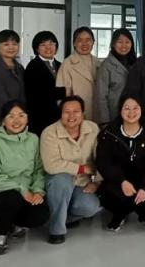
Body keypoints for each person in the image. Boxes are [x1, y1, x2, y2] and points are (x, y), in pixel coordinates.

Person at [0, 100, 49, 255]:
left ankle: (10, 221)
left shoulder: (33, 139)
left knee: (40, 214)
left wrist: (38, 191)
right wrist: (22, 189)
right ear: (3, 120)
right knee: (12, 197)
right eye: (11, 116)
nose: (17, 120)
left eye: (21, 115)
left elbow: (39, 169)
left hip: (26, 194)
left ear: (27, 118)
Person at [96, 95, 145, 231]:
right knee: (109, 196)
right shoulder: (109, 133)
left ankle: (135, 208)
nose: (131, 112)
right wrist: (121, 181)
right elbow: (103, 162)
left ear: (141, 109)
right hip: (119, 182)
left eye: (135, 108)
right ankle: (119, 214)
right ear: (120, 110)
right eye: (126, 108)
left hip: (143, 182)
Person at [41, 95, 102, 244]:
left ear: (83, 113)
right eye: (66, 112)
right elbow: (51, 165)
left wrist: (97, 182)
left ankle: (62, 218)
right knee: (62, 180)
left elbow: (101, 158)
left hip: (81, 183)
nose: (71, 116)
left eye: (76, 111)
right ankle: (56, 231)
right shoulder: (49, 132)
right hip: (57, 181)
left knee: (90, 207)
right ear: (60, 114)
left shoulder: (93, 128)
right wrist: (82, 168)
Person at [0, 30, 26, 141]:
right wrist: (13, 117)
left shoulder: (19, 67)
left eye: (14, 44)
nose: (11, 47)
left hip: (18, 120)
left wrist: (21, 116)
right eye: (6, 44)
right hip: (0, 120)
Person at [24, 30, 66, 135]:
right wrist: (61, 92)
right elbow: (36, 95)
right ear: (36, 48)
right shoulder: (32, 67)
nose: (48, 48)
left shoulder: (62, 65)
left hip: (60, 117)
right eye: (43, 45)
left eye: (51, 44)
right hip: (40, 118)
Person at [95, 28, 137, 126]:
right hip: (114, 115)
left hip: (134, 113)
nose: (123, 45)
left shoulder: (136, 63)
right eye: (119, 42)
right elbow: (101, 96)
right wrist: (105, 121)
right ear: (113, 44)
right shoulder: (106, 66)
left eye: (127, 42)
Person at [56, 27, 100, 121]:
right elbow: (62, 96)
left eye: (88, 40)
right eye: (80, 40)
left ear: (93, 42)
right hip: (76, 115)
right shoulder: (68, 63)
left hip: (97, 112)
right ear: (74, 43)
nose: (84, 43)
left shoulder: (99, 63)